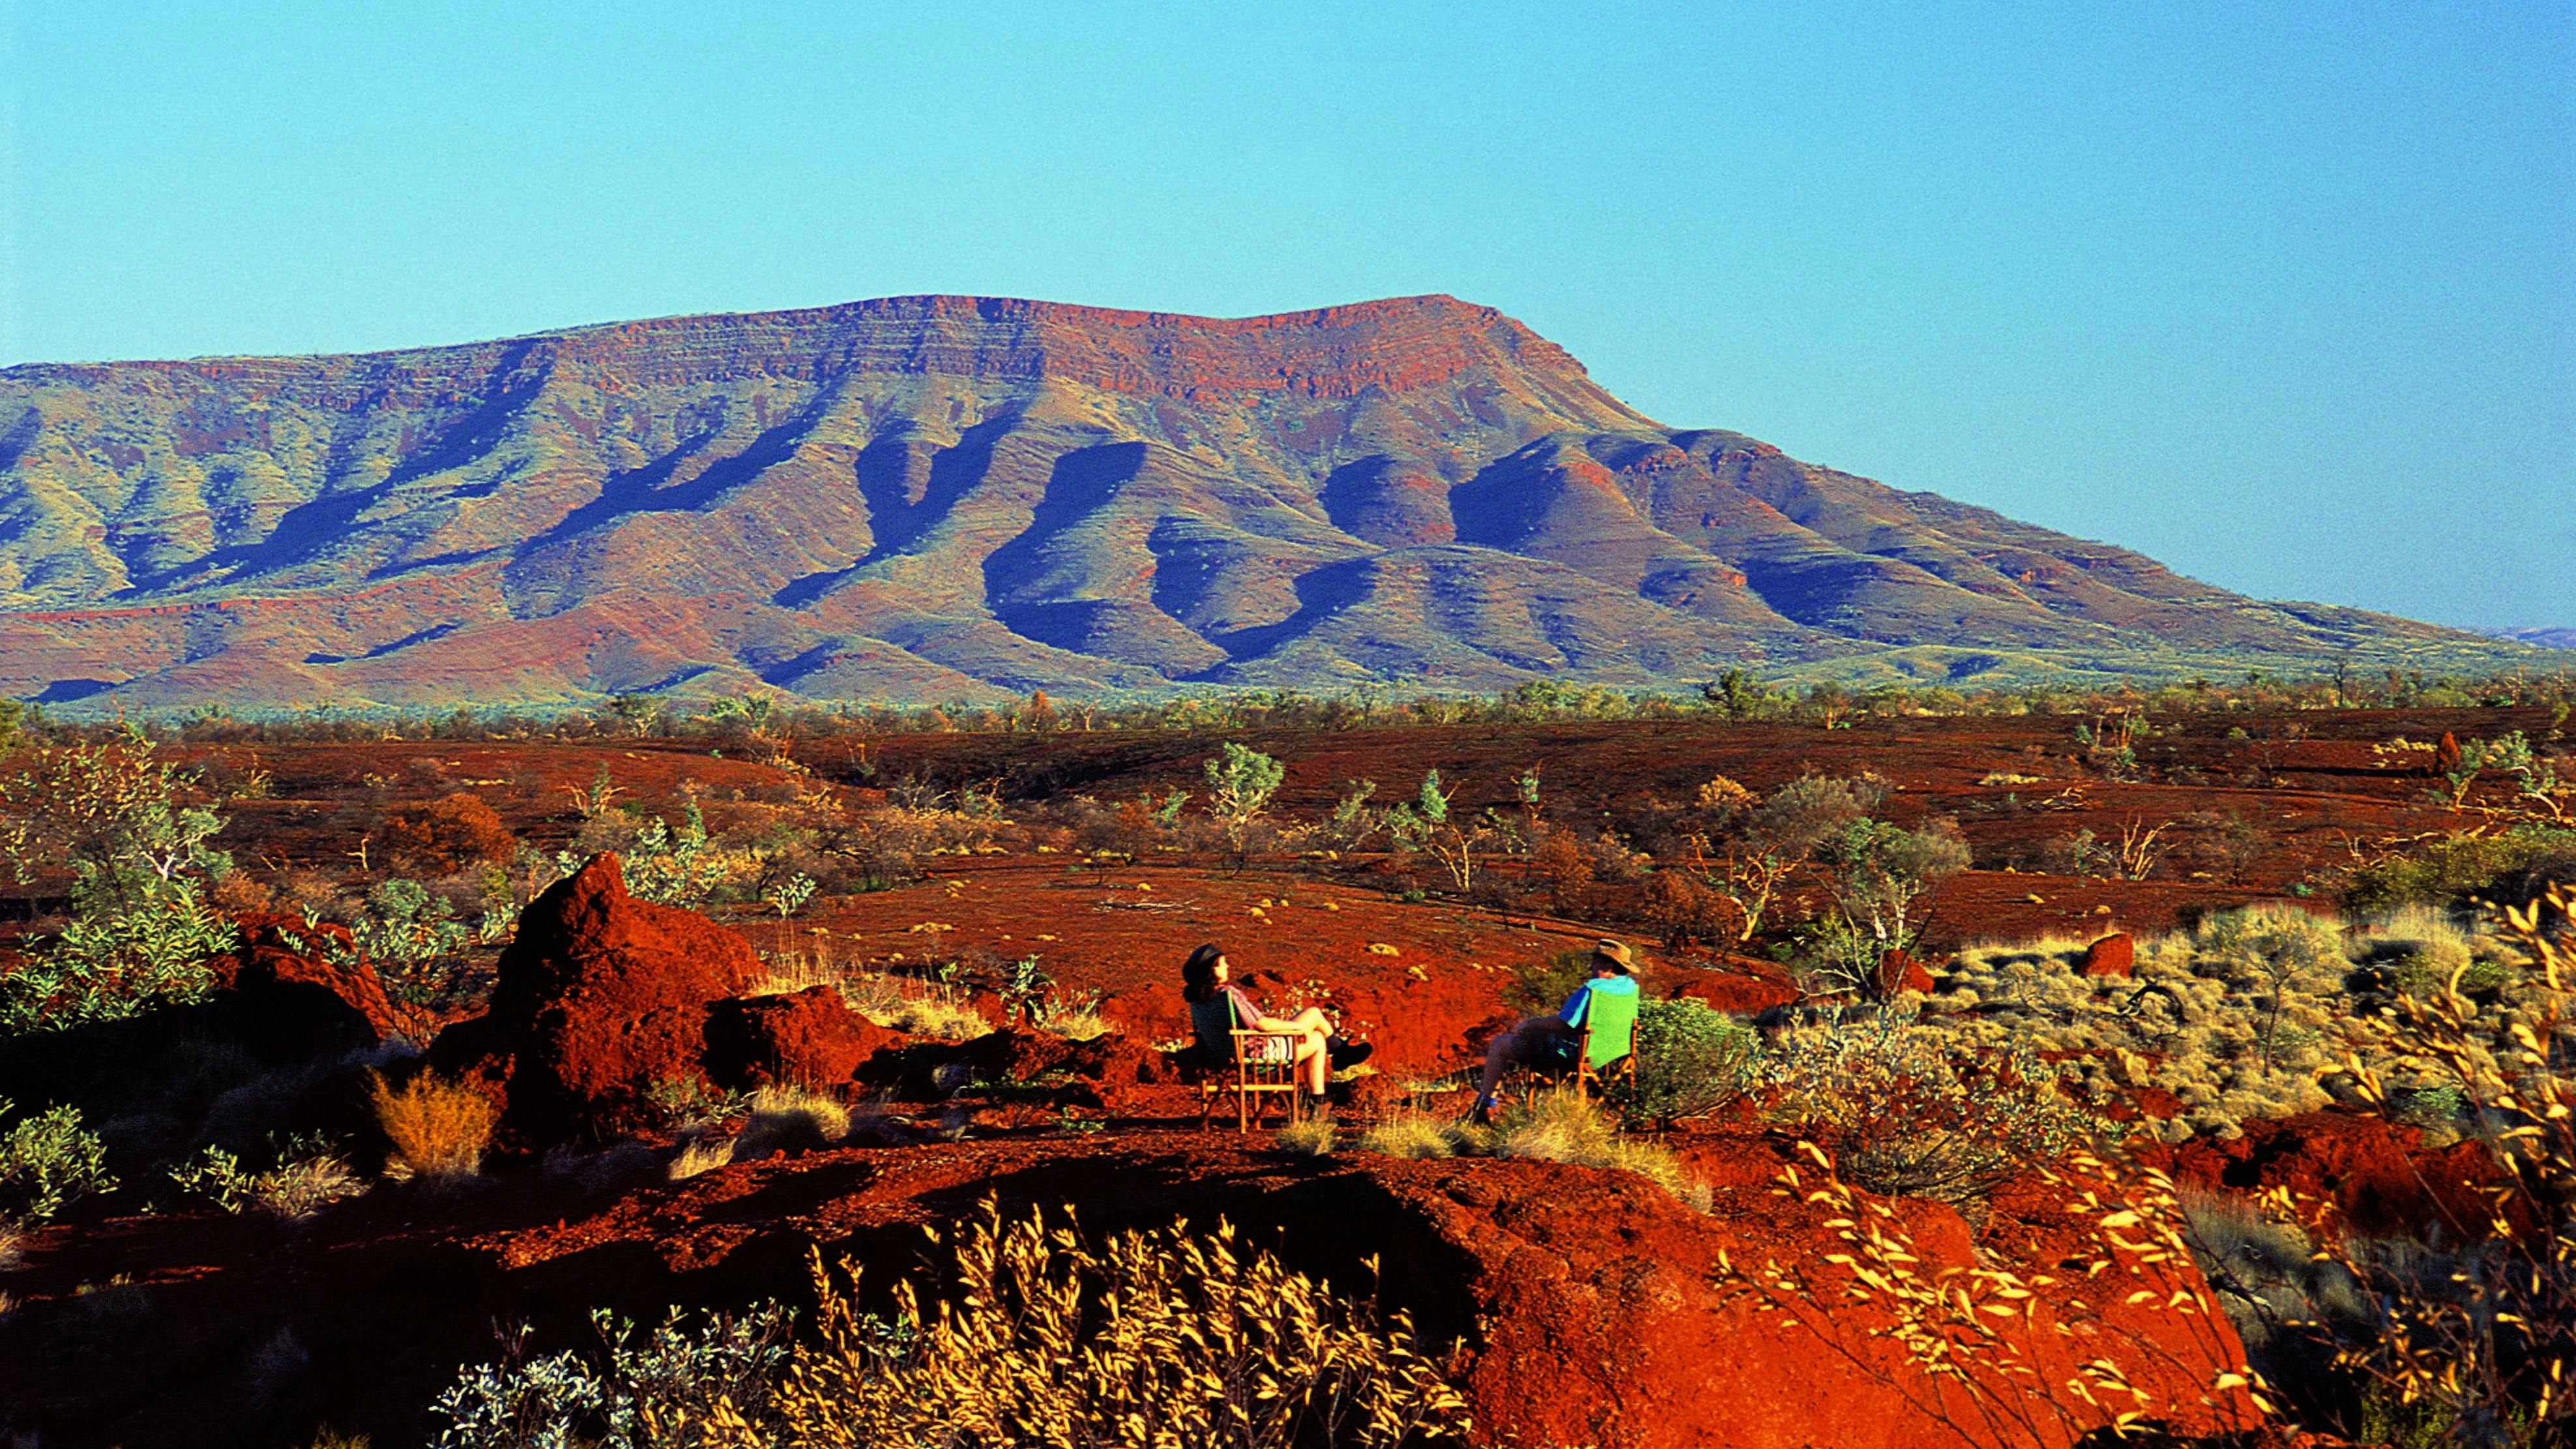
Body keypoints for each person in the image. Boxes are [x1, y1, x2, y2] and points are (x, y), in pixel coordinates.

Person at [1468, 939, 1641, 1124]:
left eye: (1595, 962)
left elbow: (1564, 1024)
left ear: (1608, 966)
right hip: (1612, 1052)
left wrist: (1530, 1025)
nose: (1591, 966)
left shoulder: (1593, 989)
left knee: (1501, 1044)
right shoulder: (1630, 988)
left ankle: (1483, 1106)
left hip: (1574, 1054)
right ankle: (1630, 1117)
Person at [1180, 943, 1372, 1102]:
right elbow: (1263, 1025)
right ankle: (1322, 1094)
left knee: (1313, 1020)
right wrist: (1296, 1027)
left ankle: (1340, 1056)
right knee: (1316, 1036)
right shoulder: (1228, 995)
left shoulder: (1196, 1000)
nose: (1228, 967)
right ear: (1212, 970)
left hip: (1220, 1056)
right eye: (1223, 964)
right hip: (1254, 1055)